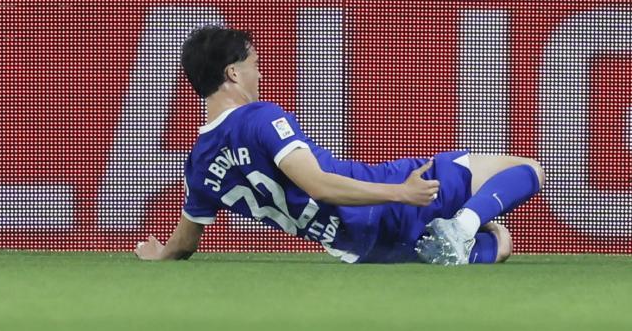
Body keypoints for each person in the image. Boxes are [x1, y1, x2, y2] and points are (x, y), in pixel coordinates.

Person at [134, 25, 543, 264]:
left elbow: (185, 243)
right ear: (233, 74)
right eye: (254, 63)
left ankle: (461, 231)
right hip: (385, 196)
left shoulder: (199, 163)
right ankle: (461, 226)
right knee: (528, 169)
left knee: (500, 242)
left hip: (356, 248)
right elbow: (319, 184)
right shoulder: (259, 118)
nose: (259, 74)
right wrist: (401, 191)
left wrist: (159, 255)